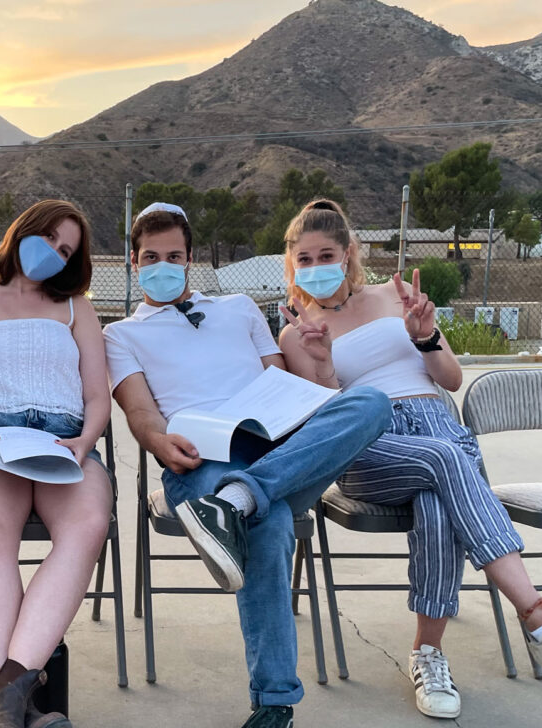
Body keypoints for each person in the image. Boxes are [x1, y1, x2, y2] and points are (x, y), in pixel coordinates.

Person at [277, 198, 542, 720]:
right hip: (367, 450)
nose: (315, 268)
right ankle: (541, 619)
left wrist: (425, 335)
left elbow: (449, 380)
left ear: (349, 253)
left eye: (325, 254)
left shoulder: (396, 297)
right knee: (446, 461)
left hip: (439, 429)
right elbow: (326, 423)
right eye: (303, 259)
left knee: (438, 503)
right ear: (291, 265)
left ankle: (429, 655)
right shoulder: (294, 332)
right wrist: (325, 362)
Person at [103, 202, 389, 728]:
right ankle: (276, 702)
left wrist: (319, 365)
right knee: (271, 521)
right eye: (150, 257)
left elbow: (280, 384)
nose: (161, 265)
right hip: (199, 458)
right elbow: (141, 412)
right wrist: (161, 444)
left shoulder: (239, 308)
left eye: (173, 255)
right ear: (133, 260)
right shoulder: (121, 335)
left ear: (190, 259)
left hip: (275, 448)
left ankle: (237, 499)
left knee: (371, 403)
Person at [0, 200, 111, 728]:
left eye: (66, 252)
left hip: (64, 443)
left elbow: (97, 397)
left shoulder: (76, 308)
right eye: (49, 240)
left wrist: (84, 443)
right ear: (21, 234)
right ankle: (12, 704)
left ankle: (0, 700)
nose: (54, 255)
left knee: (87, 526)